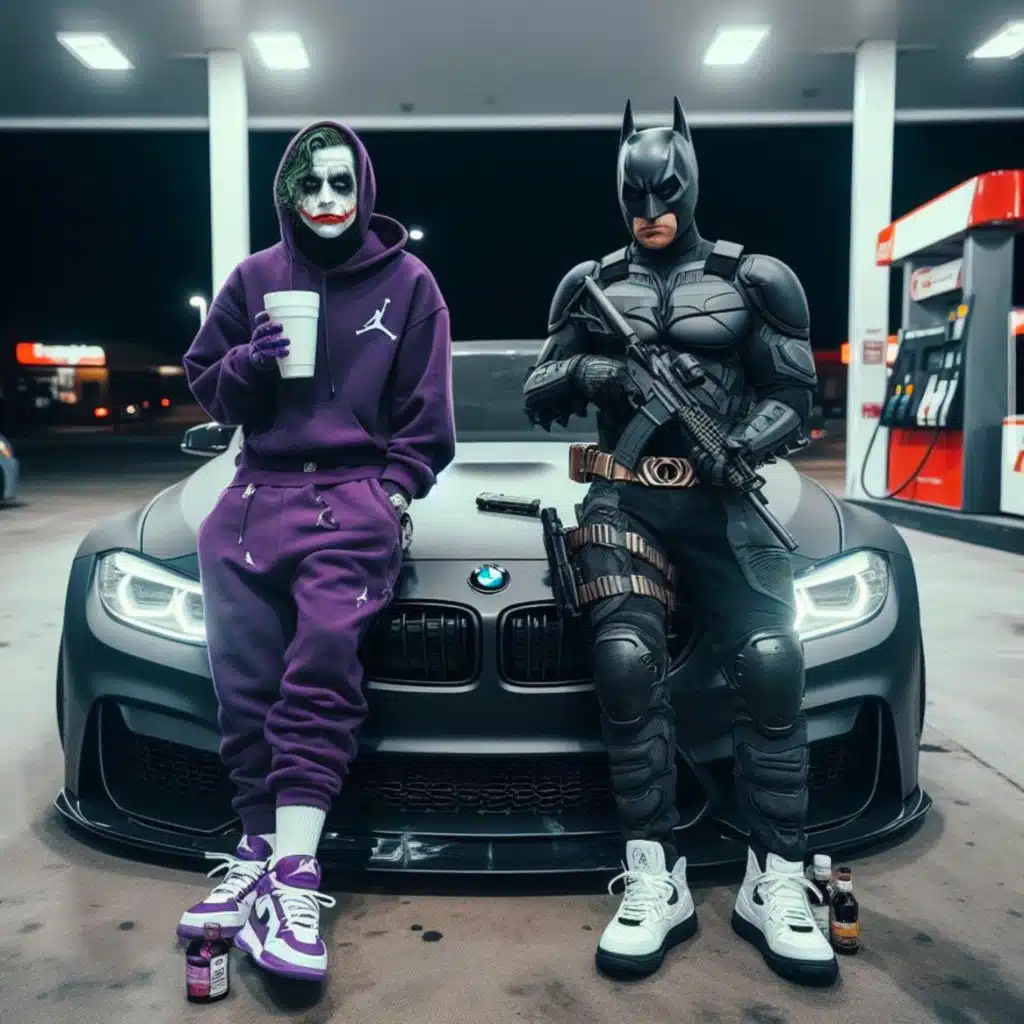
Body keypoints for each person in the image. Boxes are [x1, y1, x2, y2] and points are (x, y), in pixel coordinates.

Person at [522, 99, 836, 987]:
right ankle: (652, 875)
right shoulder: (590, 283)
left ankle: (775, 878)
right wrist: (602, 370)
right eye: (636, 197)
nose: (651, 211)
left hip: (726, 500)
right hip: (624, 497)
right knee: (624, 661)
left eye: (665, 193)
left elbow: (795, 396)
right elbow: (540, 388)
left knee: (773, 661)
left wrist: (742, 440)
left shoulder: (757, 279)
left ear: (691, 185)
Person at [178, 120, 455, 982]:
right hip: (253, 500)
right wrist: (250, 366)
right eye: (311, 184)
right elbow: (209, 386)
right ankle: (257, 856)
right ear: (287, 194)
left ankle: (297, 872)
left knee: (319, 675)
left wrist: (391, 493)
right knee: (245, 689)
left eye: (341, 182)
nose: (327, 199)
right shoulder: (255, 277)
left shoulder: (409, 283)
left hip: (350, 502)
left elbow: (428, 420)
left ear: (363, 186)